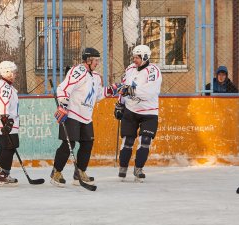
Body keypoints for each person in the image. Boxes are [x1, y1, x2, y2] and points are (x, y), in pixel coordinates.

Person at [50, 47, 122, 187]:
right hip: (72, 113)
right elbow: (63, 88)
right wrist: (63, 105)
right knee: (68, 143)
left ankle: (80, 173)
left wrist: (112, 89)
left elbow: (98, 95)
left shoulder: (95, 77)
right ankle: (56, 172)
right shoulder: (78, 71)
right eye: (95, 60)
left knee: (87, 144)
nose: (97, 63)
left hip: (86, 116)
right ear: (88, 60)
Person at [114, 45, 162, 182]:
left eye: (137, 57)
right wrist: (120, 104)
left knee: (145, 141)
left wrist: (131, 91)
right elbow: (123, 88)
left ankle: (138, 169)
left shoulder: (154, 71)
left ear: (145, 57)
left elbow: (150, 91)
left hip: (149, 112)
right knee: (128, 141)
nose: (134, 60)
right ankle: (123, 167)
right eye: (134, 57)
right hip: (131, 110)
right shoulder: (130, 69)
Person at [0, 61, 19, 186]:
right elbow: (2, 104)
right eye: (13, 72)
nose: (15, 74)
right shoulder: (5, 87)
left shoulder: (1, 85)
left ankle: (1, 172)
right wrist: (6, 120)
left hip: (2, 122)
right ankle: (3, 174)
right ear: (7, 72)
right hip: (5, 122)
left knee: (6, 147)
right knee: (9, 147)